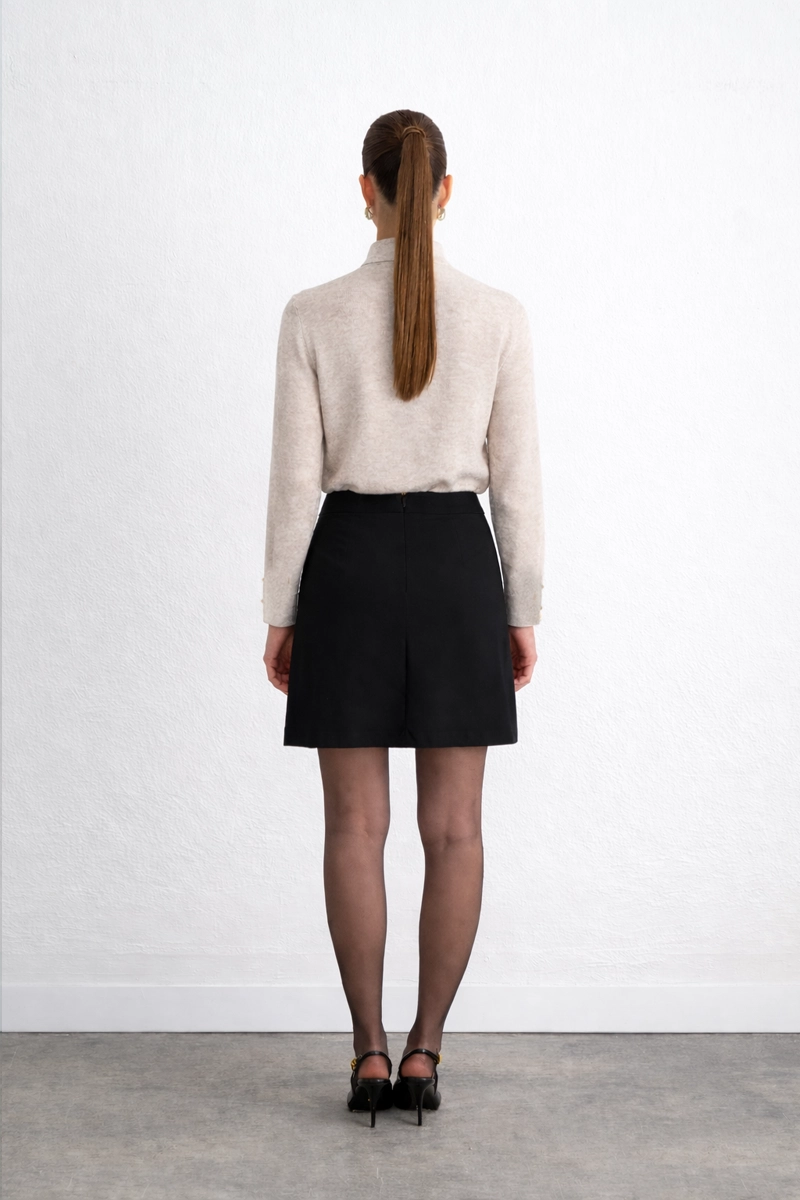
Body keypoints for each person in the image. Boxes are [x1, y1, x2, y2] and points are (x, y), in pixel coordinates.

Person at [261, 108, 544, 1127]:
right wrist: (521, 605)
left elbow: (295, 483)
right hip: (459, 569)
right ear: (444, 192)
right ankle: (426, 1049)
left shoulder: (312, 314)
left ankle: (369, 1052)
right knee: (455, 828)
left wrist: (281, 609)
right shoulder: (498, 315)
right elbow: (517, 483)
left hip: (347, 565)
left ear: (366, 191)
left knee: (354, 825)